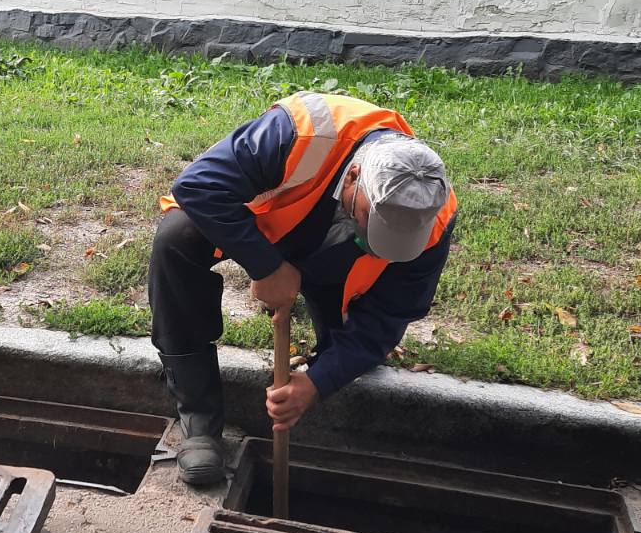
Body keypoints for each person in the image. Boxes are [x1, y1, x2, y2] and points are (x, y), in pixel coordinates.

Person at [149, 92, 457, 485]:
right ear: (353, 177)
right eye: (371, 221)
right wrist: (267, 266)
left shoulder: (433, 216)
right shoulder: (301, 134)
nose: (376, 242)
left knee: (349, 356)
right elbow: (198, 186)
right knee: (177, 238)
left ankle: (325, 350)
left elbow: (389, 315)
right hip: (268, 229)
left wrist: (315, 383)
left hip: (337, 265)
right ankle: (199, 422)